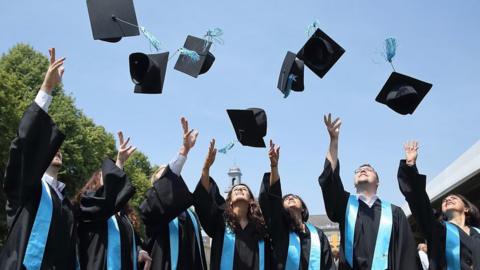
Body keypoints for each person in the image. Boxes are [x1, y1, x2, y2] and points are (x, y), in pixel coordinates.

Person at [0, 48, 79, 269]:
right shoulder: (28, 188)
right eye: (51, 149)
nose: (58, 150)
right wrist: (47, 89)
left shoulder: (65, 204)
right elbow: (23, 148)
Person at [318, 113, 418, 270]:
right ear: (354, 182)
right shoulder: (345, 206)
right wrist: (334, 142)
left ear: (377, 182)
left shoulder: (394, 213)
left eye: (368, 170)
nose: (362, 170)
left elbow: (406, 255)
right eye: (358, 170)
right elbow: (329, 180)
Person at [397, 140, 480, 269]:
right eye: (444, 200)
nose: (448, 200)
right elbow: (419, 200)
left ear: (467, 208)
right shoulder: (437, 228)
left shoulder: (478, 233)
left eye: (454, 198)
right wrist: (410, 166)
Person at [75, 131, 152, 270]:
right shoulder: (88, 205)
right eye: (106, 176)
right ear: (96, 182)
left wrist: (139, 251)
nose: (111, 179)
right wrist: (119, 163)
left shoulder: (124, 219)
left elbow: (133, 242)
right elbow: (104, 201)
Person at [139, 117, 207, 270]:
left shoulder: (191, 215)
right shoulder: (150, 206)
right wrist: (184, 151)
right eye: (163, 176)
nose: (170, 177)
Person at [193, 139, 270, 270]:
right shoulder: (219, 223)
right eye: (235, 190)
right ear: (229, 201)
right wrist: (206, 168)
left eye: (244, 189)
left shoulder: (261, 227)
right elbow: (204, 201)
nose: (239, 189)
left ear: (251, 200)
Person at [259, 140, 335, 269]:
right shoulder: (279, 229)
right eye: (286, 198)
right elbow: (272, 198)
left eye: (294, 197)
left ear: (303, 208)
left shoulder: (318, 235)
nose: (290, 197)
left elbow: (328, 265)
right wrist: (274, 166)